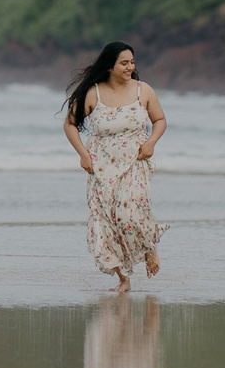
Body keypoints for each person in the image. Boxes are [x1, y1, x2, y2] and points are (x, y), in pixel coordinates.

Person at [63, 41, 166, 294]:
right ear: (110, 66)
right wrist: (83, 155)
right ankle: (123, 278)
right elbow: (70, 124)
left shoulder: (144, 91)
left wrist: (151, 142)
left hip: (135, 161)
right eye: (124, 63)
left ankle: (150, 249)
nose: (131, 67)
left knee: (129, 212)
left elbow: (160, 120)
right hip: (101, 165)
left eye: (132, 62)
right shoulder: (92, 93)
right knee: (105, 222)